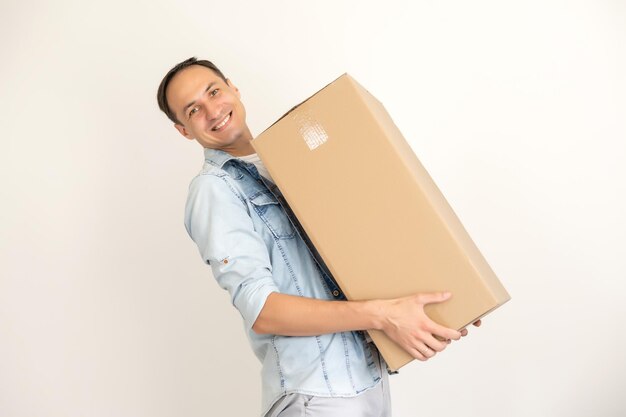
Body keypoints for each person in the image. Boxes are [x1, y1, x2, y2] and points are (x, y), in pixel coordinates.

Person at [156, 57, 480, 417]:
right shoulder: (214, 189)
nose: (213, 110)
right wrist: (385, 315)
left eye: (213, 92)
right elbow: (262, 310)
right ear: (184, 130)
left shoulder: (293, 162)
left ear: (233, 87)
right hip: (315, 395)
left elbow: (360, 248)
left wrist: (443, 303)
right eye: (193, 110)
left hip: (368, 378)